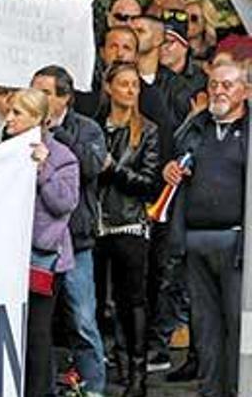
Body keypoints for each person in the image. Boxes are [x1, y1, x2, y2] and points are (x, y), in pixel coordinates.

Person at [166, 61, 248, 397]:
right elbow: (175, 166)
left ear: (246, 90)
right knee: (204, 327)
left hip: (239, 241)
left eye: (227, 85)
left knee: (237, 324)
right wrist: (170, 170)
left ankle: (239, 389)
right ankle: (211, 391)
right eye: (214, 84)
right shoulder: (193, 129)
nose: (218, 91)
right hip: (195, 239)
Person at [29, 65, 109, 396]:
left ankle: (93, 389)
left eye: (46, 92)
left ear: (66, 98)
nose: (39, 98)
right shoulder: (22, 131)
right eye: (35, 90)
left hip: (76, 240)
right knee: (38, 328)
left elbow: (92, 166)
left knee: (83, 320)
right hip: (34, 245)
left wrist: (53, 141)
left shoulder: (86, 129)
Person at [5, 88, 80, 397]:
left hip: (43, 259)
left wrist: (44, 170)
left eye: (17, 113)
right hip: (9, 256)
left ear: (38, 119)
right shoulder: (4, 151)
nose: (8, 119)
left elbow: (65, 203)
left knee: (36, 334)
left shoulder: (63, 157)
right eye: (9, 111)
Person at [96, 62, 162, 397]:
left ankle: (138, 375)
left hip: (131, 224)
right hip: (97, 224)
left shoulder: (147, 130)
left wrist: (114, 169)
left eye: (135, 85)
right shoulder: (95, 127)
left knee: (132, 299)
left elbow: (150, 184)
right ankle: (115, 364)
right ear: (109, 87)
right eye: (123, 84)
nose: (130, 90)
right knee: (102, 302)